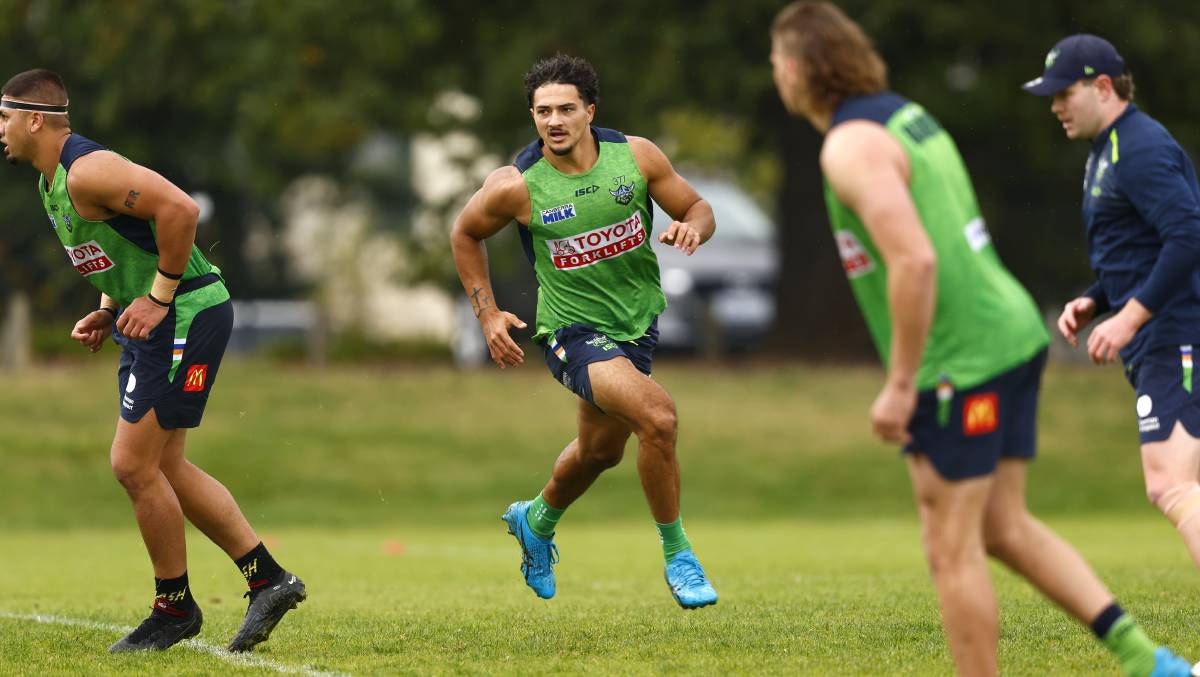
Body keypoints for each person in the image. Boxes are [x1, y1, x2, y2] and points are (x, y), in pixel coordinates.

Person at [769, 4, 1193, 676]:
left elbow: (915, 261)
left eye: (775, 62)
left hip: (959, 364)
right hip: (1010, 335)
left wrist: (903, 383)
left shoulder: (849, 145)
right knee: (1003, 527)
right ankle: (1151, 663)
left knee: (950, 545)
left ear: (795, 68)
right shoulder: (906, 115)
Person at [0, 69, 305, 653]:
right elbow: (128, 242)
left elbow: (181, 212)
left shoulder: (87, 169)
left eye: (6, 118)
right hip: (158, 321)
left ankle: (175, 609)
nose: (2, 131)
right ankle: (267, 578)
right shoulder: (50, 183)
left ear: (34, 119)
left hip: (187, 312)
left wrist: (159, 295)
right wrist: (109, 306)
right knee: (162, 468)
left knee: (131, 465)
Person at [450, 54, 718, 608]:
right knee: (659, 418)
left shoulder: (636, 157)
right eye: (543, 111)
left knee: (599, 454)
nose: (554, 120)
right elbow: (465, 232)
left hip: (636, 328)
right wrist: (488, 313)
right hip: (570, 333)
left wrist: (693, 228)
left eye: (566, 109)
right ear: (532, 117)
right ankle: (679, 555)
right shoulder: (517, 186)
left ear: (589, 111)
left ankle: (537, 520)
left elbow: (696, 206)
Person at [1028, 30, 1200, 610]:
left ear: (1103, 87)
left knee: (1171, 481)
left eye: (1063, 93)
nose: (1054, 105)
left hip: (1176, 336)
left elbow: (1187, 236)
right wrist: (1096, 299)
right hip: (1164, 334)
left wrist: (1130, 317)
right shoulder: (1108, 150)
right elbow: (1140, 250)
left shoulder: (1141, 149)